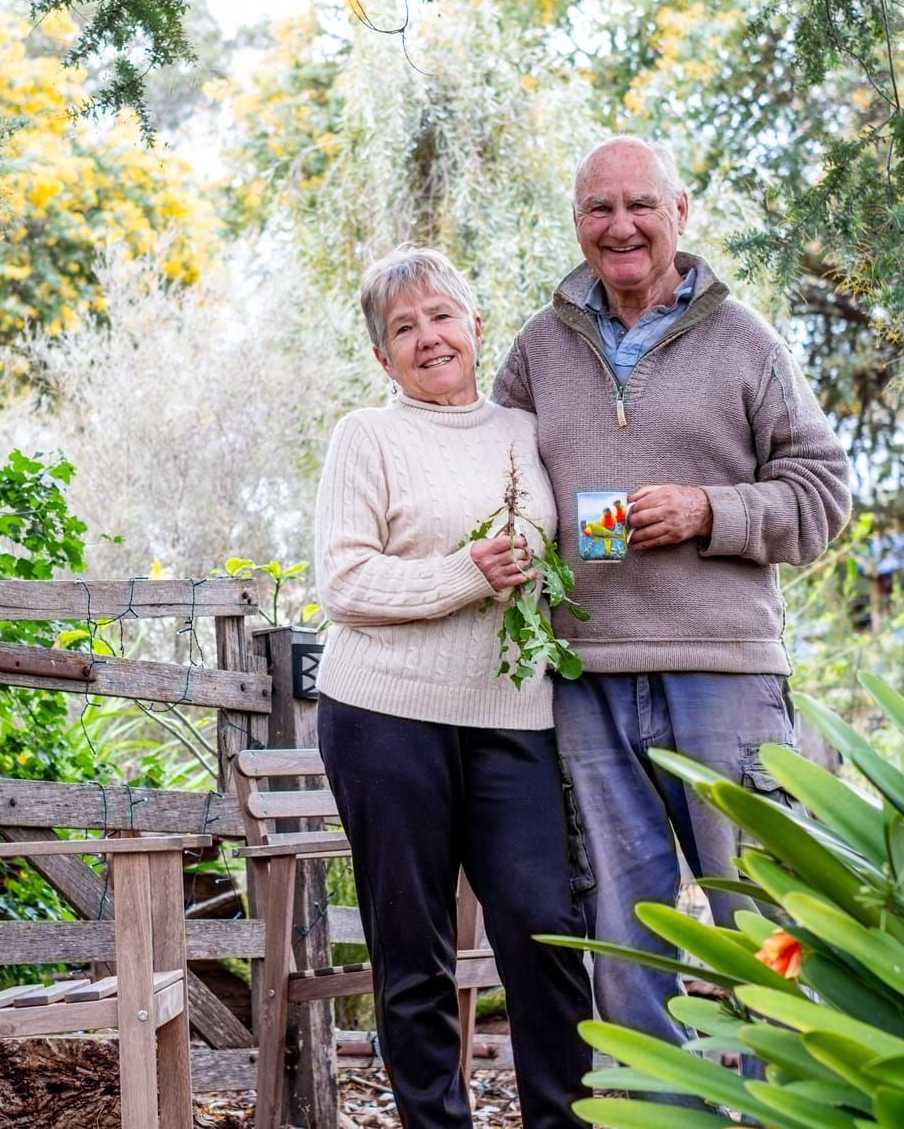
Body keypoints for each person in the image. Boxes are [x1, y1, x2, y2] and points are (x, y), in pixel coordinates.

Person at [492, 135, 852, 1051]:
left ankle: (782, 1112)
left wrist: (707, 510)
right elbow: (490, 479)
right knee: (624, 928)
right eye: (598, 209)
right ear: (577, 223)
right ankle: (662, 1107)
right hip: (590, 677)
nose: (621, 227)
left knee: (760, 913)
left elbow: (824, 496)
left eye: (640, 205)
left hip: (723, 671)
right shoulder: (539, 349)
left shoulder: (746, 341)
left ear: (679, 213)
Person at [312, 246, 594, 1129]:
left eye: (442, 316)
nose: (428, 337)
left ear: (476, 327)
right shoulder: (368, 435)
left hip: (514, 718)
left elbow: (581, 534)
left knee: (544, 934)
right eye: (404, 327)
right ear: (381, 355)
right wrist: (465, 571)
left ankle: (565, 1121)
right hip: (385, 717)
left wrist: (687, 511)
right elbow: (345, 584)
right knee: (415, 953)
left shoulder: (523, 430)